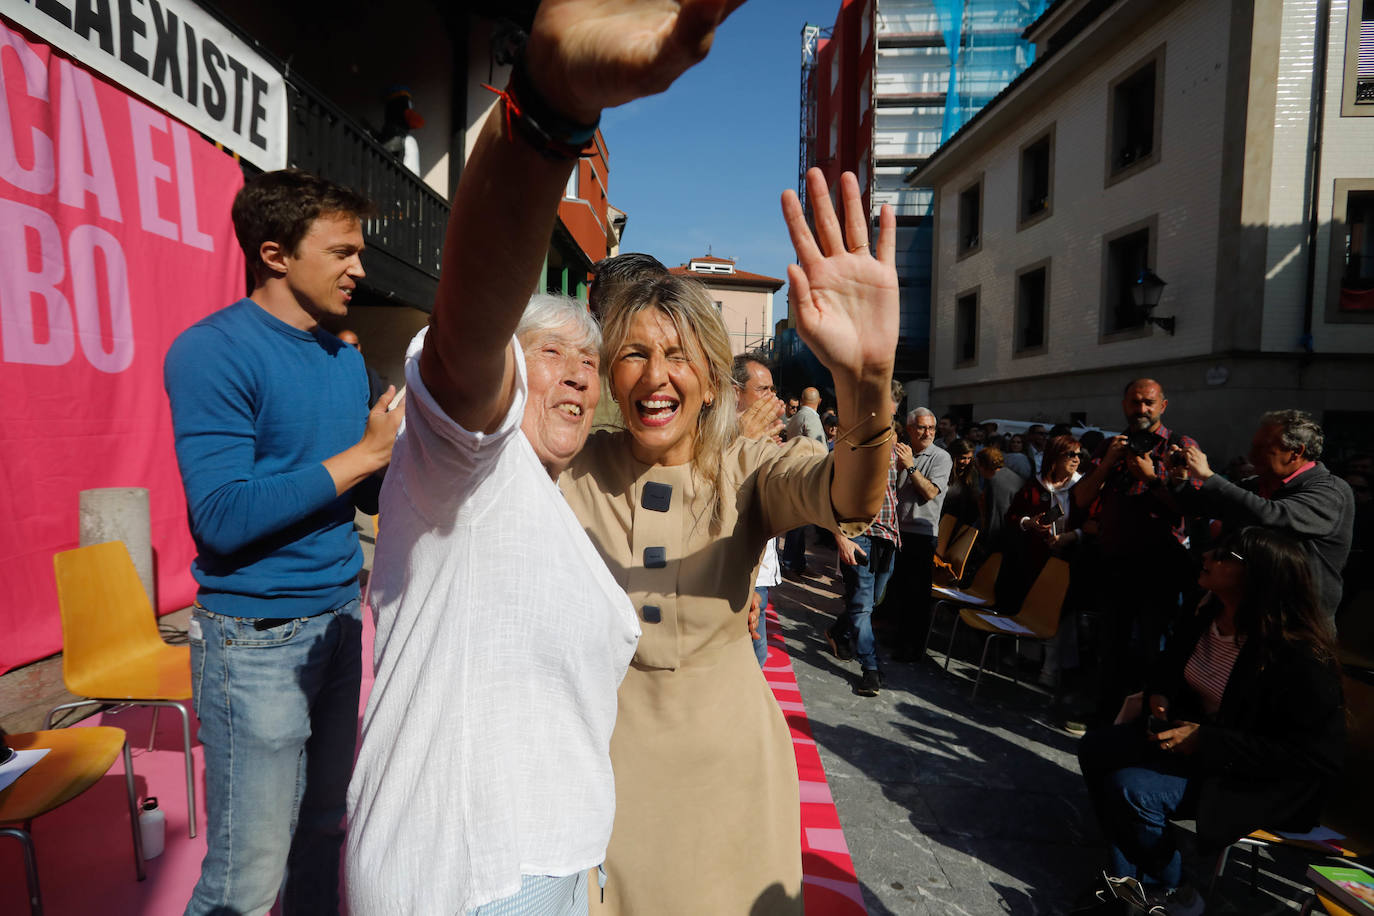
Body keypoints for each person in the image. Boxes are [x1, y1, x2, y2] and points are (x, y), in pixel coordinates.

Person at [559, 160, 899, 913]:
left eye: (678, 355)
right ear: (613, 375)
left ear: (712, 378)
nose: (657, 375)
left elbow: (851, 493)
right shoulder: (567, 469)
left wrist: (866, 383)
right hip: (595, 779)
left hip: (729, 778)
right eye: (636, 353)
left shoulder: (747, 469)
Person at [348, 291, 641, 914]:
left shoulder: (544, 493)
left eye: (590, 362)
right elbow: (464, 363)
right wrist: (516, 195)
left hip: (548, 857)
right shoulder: (471, 463)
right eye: (551, 352)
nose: (578, 374)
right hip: (475, 874)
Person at [164, 169, 404, 915]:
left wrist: (414, 462)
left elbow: (363, 495)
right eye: (341, 252)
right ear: (274, 254)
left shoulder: (343, 360)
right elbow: (223, 514)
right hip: (255, 646)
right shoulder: (211, 352)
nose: (359, 270)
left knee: (325, 834)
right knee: (245, 877)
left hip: (338, 624)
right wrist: (362, 457)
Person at [1077, 527, 1345, 907]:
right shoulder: (1207, 615)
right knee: (1098, 748)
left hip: (1257, 778)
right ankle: (1129, 876)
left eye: (1224, 556)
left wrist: (1209, 741)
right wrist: (1160, 694)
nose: (1207, 556)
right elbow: (1168, 668)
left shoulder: (1297, 657)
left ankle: (1171, 891)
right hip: (1203, 751)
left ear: (1257, 578)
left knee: (1134, 788)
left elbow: (1315, 758)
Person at [1074, 379, 1202, 721]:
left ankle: (1147, 722)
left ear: (1163, 405)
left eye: (1148, 402)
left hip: (1161, 571)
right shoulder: (1109, 445)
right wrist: (1106, 463)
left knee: (1155, 652)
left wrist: (1152, 478)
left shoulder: (1180, 446)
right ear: (1124, 405)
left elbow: (1193, 506)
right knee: (1111, 648)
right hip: (1115, 565)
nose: (1141, 409)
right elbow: (1081, 499)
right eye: (1134, 402)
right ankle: (1105, 718)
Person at [1171, 410, 1354, 620]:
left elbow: (1273, 515)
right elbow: (1201, 506)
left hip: (1295, 620)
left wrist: (1209, 477)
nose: (1251, 456)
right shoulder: (1257, 485)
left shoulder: (1329, 490)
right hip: (1245, 610)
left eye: (1262, 449)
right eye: (1253, 447)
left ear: (1296, 452)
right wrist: (1179, 478)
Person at [828, 379, 905, 697]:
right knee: (862, 605)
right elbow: (828, 494)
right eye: (885, 407)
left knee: (872, 600)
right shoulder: (850, 441)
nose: (887, 414)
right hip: (858, 534)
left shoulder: (896, 441)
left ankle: (837, 630)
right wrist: (839, 537)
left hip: (889, 533)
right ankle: (870, 669)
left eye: (893, 409)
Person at [733, 349, 788, 668]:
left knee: (756, 646)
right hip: (730, 562)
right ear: (735, 392)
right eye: (763, 389)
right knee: (749, 649)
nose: (772, 397)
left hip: (761, 564)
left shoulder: (772, 438)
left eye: (772, 389)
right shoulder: (718, 434)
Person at [883, 407, 952, 662]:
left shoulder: (941, 457)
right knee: (898, 589)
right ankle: (896, 636)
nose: (927, 433)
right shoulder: (901, 450)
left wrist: (911, 468)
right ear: (910, 429)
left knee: (917, 594)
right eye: (922, 427)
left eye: (932, 428)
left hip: (921, 533)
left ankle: (913, 648)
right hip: (896, 529)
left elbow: (930, 493)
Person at [781, 386, 826, 574]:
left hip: (795, 472)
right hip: (805, 475)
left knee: (799, 521)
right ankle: (793, 562)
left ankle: (795, 561)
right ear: (820, 401)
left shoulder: (796, 417)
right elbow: (820, 449)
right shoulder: (811, 418)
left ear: (801, 399)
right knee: (799, 521)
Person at [975, 446, 1021, 556]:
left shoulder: (995, 482)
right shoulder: (1009, 474)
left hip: (1001, 543)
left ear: (984, 465)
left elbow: (996, 518)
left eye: (978, 466)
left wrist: (986, 545)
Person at [337, 328, 389, 406]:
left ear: (359, 347)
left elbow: (377, 405)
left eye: (354, 346)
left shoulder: (371, 375)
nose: (350, 350)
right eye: (344, 346)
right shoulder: (328, 375)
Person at [942, 438, 981, 529]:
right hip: (941, 516)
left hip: (961, 519)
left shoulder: (972, 472)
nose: (966, 462)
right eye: (963, 458)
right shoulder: (943, 469)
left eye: (969, 458)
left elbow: (973, 498)